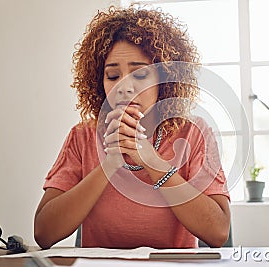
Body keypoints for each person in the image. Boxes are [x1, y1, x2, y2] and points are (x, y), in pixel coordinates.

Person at [34, 5, 230, 249]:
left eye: (139, 75)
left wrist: (151, 160)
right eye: (113, 76)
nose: (124, 87)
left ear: (165, 79)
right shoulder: (82, 136)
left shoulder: (194, 133)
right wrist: (111, 162)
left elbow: (218, 232)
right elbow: (44, 233)